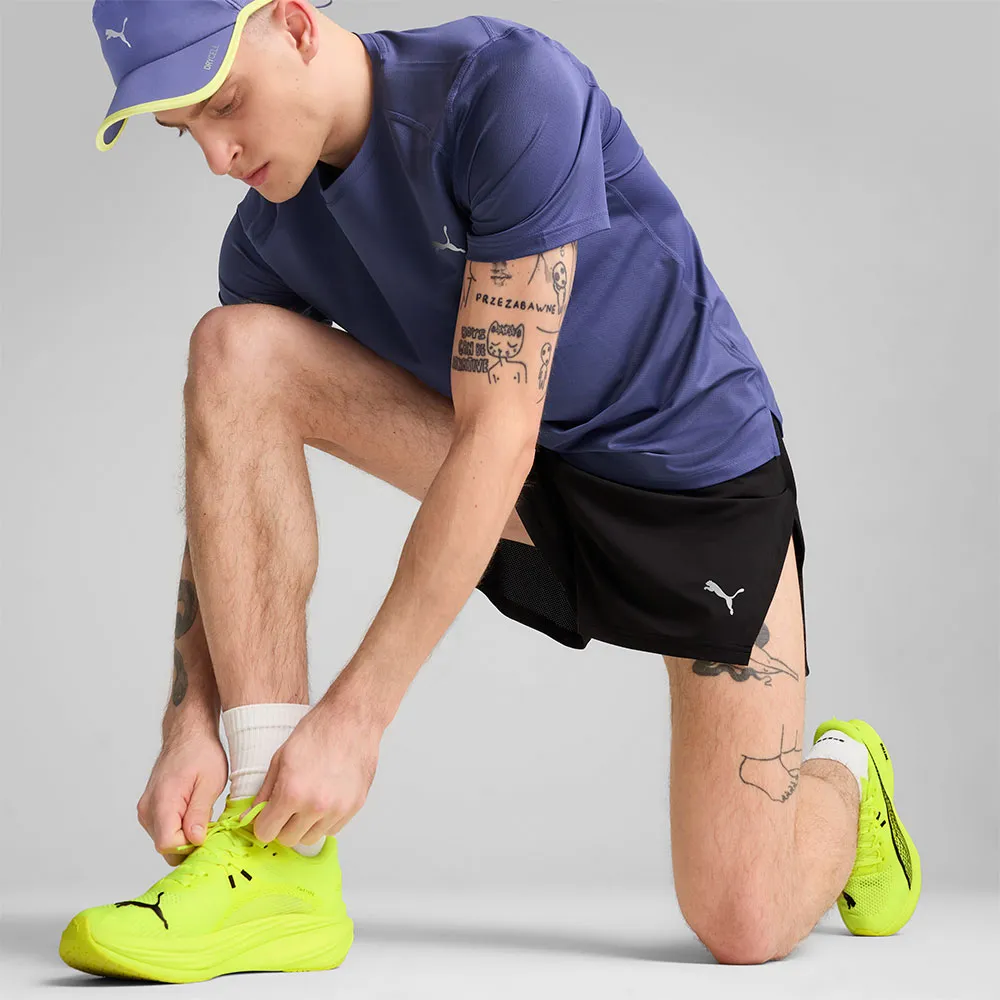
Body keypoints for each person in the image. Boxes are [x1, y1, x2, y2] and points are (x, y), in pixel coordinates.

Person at [60, 0, 921, 983]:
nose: (218, 156)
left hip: (691, 490)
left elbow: (499, 427)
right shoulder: (268, 240)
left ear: (295, 24)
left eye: (225, 104)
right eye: (186, 132)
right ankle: (276, 864)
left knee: (743, 922)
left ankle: (849, 775)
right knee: (236, 353)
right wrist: (191, 719)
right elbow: (229, 459)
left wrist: (354, 721)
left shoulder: (504, 90)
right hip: (523, 486)